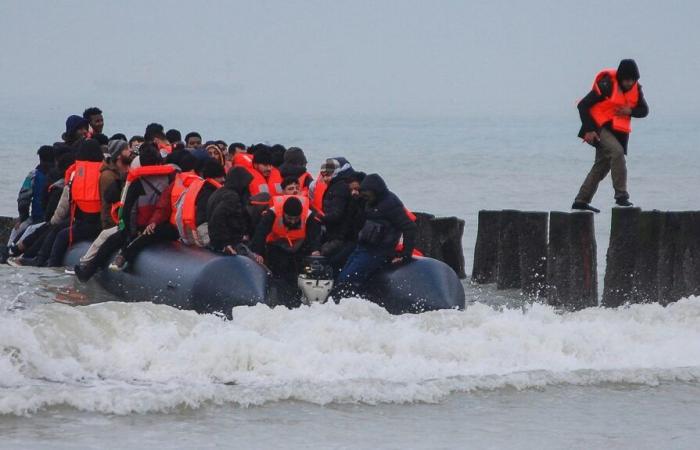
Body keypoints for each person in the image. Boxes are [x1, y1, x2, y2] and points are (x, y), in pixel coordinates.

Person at [74, 144, 178, 279]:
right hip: (163, 227)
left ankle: (88, 272)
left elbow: (128, 211)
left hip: (140, 228)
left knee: (110, 242)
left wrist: (129, 233)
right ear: (159, 161)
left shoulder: (137, 182)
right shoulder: (170, 178)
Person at [572, 59, 649, 213]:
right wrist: (589, 129)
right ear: (620, 78)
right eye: (627, 80)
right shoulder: (607, 84)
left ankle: (581, 201)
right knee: (617, 152)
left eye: (633, 80)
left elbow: (644, 110)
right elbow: (582, 105)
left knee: (602, 166)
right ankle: (621, 196)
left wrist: (630, 111)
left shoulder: (637, 89)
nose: (629, 83)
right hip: (597, 126)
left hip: (616, 132)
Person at [333, 174, 417, 298]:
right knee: (341, 277)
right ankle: (342, 302)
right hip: (363, 246)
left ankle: (347, 303)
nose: (366, 197)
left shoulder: (391, 204)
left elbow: (409, 227)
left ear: (376, 192)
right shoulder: (369, 203)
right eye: (364, 194)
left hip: (377, 251)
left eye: (367, 195)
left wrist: (405, 254)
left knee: (347, 280)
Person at [251, 195, 322, 303]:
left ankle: (298, 299)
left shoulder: (308, 216)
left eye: (296, 219)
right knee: (279, 273)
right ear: (283, 213)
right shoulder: (272, 213)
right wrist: (257, 253)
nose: (293, 222)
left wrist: (315, 250)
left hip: (299, 245)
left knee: (298, 273)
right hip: (277, 244)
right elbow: (260, 233)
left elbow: (315, 235)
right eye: (289, 218)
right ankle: (280, 299)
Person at [8, 145, 54, 246]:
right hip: (51, 219)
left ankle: (7, 251)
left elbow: (23, 198)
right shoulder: (59, 176)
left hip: (36, 218)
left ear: (40, 159)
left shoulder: (33, 175)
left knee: (16, 231)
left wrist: (23, 217)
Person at [172, 159, 225, 247]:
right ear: (214, 177)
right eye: (221, 176)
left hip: (189, 235)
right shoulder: (208, 194)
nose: (223, 179)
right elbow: (202, 220)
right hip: (202, 237)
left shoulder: (198, 189)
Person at [206, 167, 254, 255]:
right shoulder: (232, 197)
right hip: (231, 244)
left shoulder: (218, 192)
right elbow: (217, 218)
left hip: (216, 243)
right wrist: (225, 244)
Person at [100, 140, 133, 229]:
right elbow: (106, 207)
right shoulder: (108, 176)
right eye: (126, 149)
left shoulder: (127, 171)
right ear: (118, 155)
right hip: (113, 224)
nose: (130, 151)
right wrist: (118, 227)